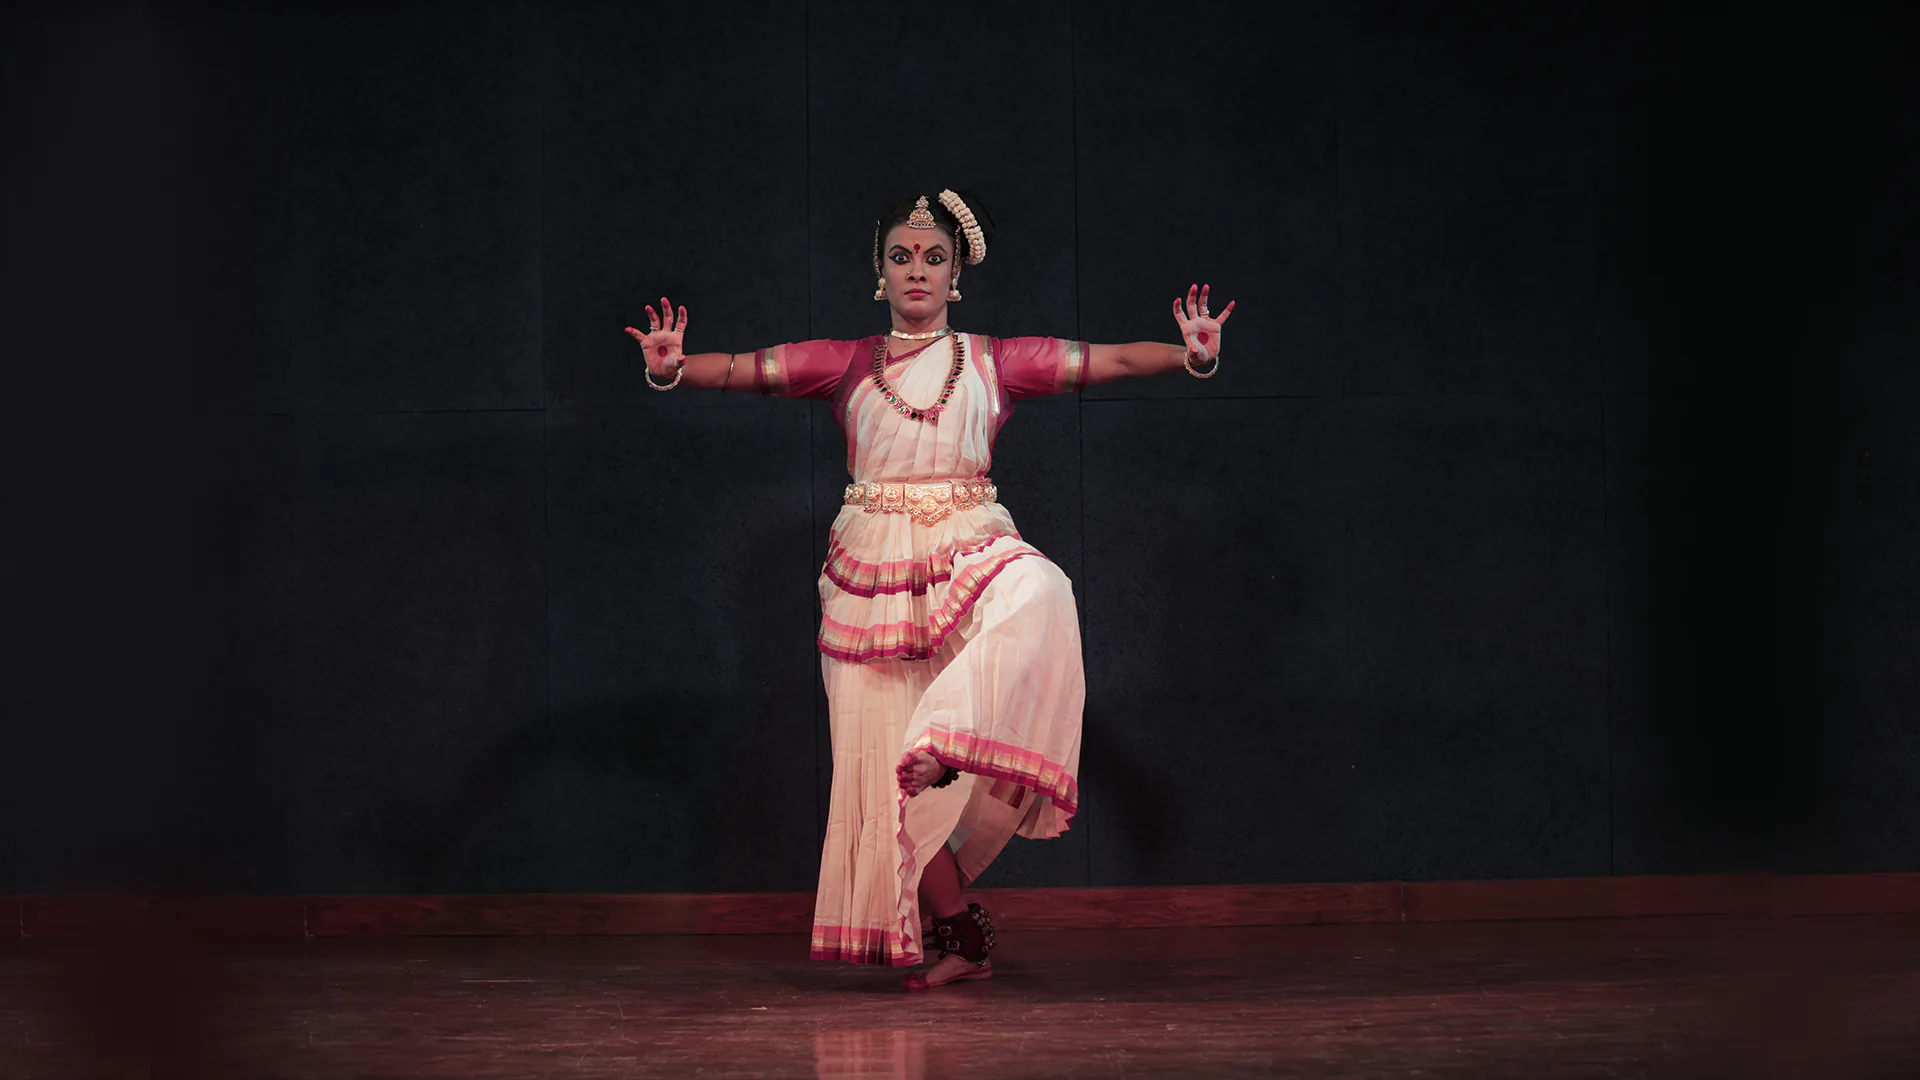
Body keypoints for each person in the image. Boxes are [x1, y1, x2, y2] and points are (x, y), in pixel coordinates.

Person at [624, 190, 1234, 989]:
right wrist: (673, 370)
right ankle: (963, 938)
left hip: (965, 545)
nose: (917, 270)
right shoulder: (845, 362)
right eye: (901, 257)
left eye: (934, 258)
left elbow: (1110, 360)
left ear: (955, 277)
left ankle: (945, 738)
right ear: (879, 274)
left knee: (1039, 588)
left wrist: (1190, 356)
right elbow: (744, 370)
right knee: (886, 780)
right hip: (869, 575)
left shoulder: (994, 361)